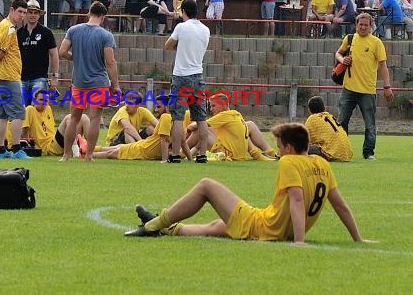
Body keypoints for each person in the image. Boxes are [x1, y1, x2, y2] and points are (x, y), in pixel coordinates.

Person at [125, 123, 372, 245]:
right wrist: (358, 239)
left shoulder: (289, 163)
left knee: (206, 185)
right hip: (270, 225)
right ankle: (168, 228)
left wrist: (299, 242)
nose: (278, 151)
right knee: (216, 226)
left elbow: (297, 200)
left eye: (278, 146)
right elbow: (340, 206)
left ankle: (153, 225)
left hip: (262, 226)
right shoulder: (322, 164)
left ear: (288, 147)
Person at [58, 1, 120, 162]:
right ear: (103, 17)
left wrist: (75, 58)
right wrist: (116, 85)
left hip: (78, 82)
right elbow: (110, 62)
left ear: (89, 14)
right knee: (94, 119)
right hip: (99, 83)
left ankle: (66, 155)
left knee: (74, 118)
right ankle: (89, 155)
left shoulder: (73, 30)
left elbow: (62, 51)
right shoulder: (105, 35)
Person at [335, 12, 394, 160]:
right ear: (356, 25)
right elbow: (338, 53)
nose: (362, 27)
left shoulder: (376, 42)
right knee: (342, 121)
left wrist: (387, 86)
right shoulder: (349, 39)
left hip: (367, 90)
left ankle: (368, 152)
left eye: (365, 25)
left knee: (370, 124)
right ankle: (343, 150)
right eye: (360, 24)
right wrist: (342, 60)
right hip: (348, 88)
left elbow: (383, 65)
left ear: (370, 27)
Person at [165, 0, 209, 164]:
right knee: (201, 118)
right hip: (198, 75)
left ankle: (175, 154)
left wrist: (179, 46)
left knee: (177, 116)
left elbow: (168, 45)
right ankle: (202, 154)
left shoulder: (181, 28)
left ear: (183, 11)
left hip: (181, 76)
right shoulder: (205, 30)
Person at [0, 0, 30, 160]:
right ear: (11, 10)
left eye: (24, 13)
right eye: (20, 11)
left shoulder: (0, 26)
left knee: (2, 114)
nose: (22, 16)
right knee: (19, 113)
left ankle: (0, 150)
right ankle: (17, 148)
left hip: (1, 76)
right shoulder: (9, 27)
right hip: (9, 76)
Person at [186, 93, 277, 161]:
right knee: (249, 124)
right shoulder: (236, 114)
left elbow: (197, 126)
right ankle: (269, 151)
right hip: (240, 153)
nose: (211, 109)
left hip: (227, 153)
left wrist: (189, 127)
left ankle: (182, 152)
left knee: (201, 130)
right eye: (210, 106)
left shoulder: (223, 115)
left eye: (213, 106)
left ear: (223, 105)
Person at [6, 90, 90, 157]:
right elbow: (24, 132)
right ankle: (76, 152)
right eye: (41, 100)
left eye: (46, 100)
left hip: (55, 141)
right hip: (48, 147)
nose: (43, 103)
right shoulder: (30, 109)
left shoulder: (48, 109)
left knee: (84, 117)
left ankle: (90, 149)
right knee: (69, 118)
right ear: (34, 101)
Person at [93, 96, 177, 161]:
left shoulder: (166, 117)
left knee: (114, 151)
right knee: (116, 149)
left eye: (158, 107)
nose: (126, 106)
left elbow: (167, 139)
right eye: (126, 103)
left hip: (143, 148)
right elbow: (127, 127)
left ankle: (88, 152)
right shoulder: (175, 120)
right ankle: (89, 151)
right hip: (128, 141)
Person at [17, 0, 59, 103]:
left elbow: (54, 55)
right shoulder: (19, 33)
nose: (33, 15)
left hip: (39, 78)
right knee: (21, 110)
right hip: (21, 77)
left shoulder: (46, 32)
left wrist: (55, 77)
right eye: (30, 12)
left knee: (37, 106)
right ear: (26, 14)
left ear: (39, 15)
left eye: (36, 13)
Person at [305, 96, 353, 162]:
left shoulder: (312, 119)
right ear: (324, 108)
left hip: (332, 154)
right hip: (346, 154)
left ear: (309, 110)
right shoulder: (330, 117)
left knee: (302, 148)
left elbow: (305, 140)